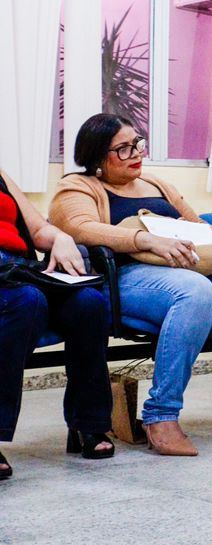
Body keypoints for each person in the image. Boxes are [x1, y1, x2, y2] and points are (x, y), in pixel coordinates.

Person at [51, 114, 212, 454]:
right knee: (195, 292)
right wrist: (144, 240)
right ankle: (162, 415)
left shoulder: (156, 184)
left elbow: (194, 222)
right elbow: (79, 228)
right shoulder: (77, 187)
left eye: (137, 144)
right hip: (126, 277)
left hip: (186, 268)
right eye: (123, 149)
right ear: (96, 156)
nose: (136, 153)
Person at [0, 165, 114, 477]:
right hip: (16, 287)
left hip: (18, 268)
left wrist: (60, 237)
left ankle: (86, 424)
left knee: (89, 303)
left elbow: (36, 229)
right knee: (27, 301)